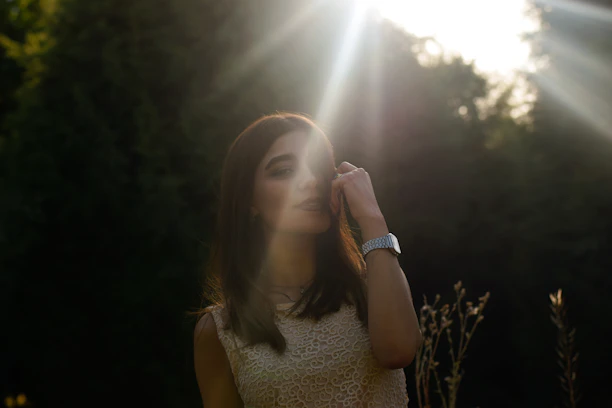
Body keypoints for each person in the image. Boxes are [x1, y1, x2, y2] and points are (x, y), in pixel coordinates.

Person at [193, 112, 422, 407]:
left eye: (319, 168)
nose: (311, 181)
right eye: (284, 171)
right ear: (249, 200)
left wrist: (372, 218)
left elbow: (398, 352)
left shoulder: (373, 284)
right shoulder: (220, 330)